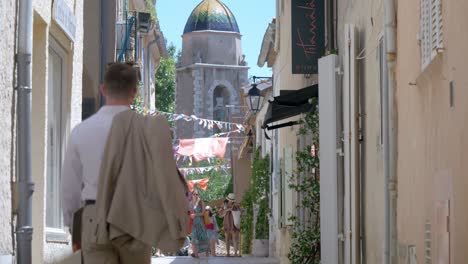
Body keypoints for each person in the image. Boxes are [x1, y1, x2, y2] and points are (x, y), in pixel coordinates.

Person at [61, 62, 188, 264]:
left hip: (94, 217)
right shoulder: (146, 130)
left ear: (103, 89)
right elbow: (160, 178)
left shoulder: (81, 131)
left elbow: (70, 189)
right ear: (134, 92)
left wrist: (73, 226)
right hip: (134, 216)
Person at [189, 190, 209, 258]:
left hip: (200, 222)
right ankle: (196, 254)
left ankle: (205, 254)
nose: (195, 195)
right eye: (194, 194)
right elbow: (188, 213)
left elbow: (203, 213)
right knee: (194, 238)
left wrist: (195, 214)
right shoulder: (190, 203)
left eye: (197, 194)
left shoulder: (201, 202)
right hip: (193, 223)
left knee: (203, 238)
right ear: (192, 195)